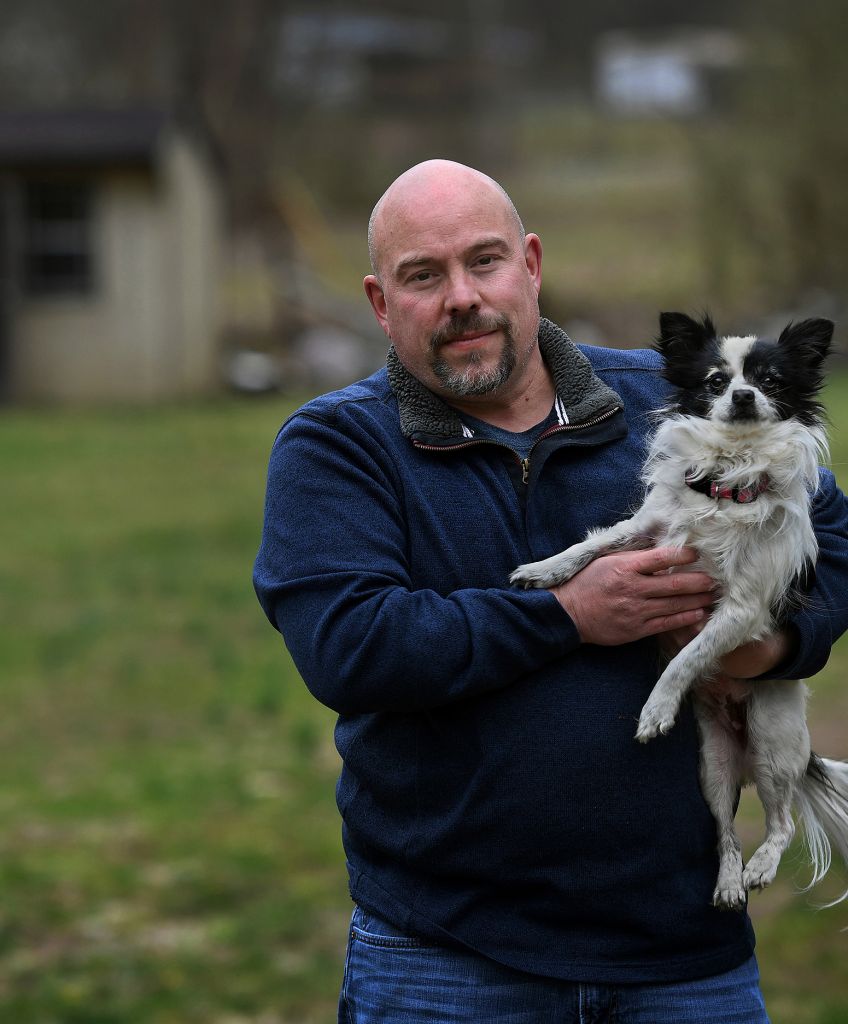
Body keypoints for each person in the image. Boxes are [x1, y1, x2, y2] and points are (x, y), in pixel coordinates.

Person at [253, 160, 848, 1022]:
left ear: (530, 265)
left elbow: (835, 538)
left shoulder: (672, 404)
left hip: (683, 958)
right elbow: (352, 644)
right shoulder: (337, 446)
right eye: (424, 275)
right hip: (448, 959)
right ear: (382, 305)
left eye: (484, 261)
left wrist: (775, 642)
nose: (462, 296)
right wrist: (566, 614)